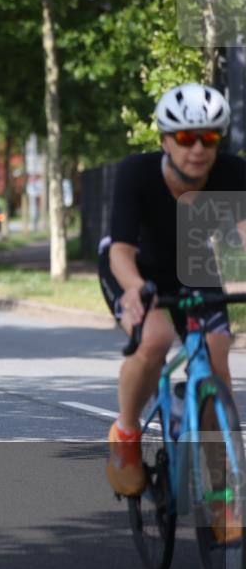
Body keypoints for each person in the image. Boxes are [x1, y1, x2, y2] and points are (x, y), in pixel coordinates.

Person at [101, 84, 244, 513]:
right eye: (185, 138)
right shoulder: (137, 173)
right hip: (136, 269)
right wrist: (134, 290)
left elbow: (240, 247)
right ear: (165, 139)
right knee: (155, 340)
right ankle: (125, 436)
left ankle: (222, 497)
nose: (197, 149)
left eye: (208, 138)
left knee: (218, 357)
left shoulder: (234, 175)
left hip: (195, 269)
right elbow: (120, 251)